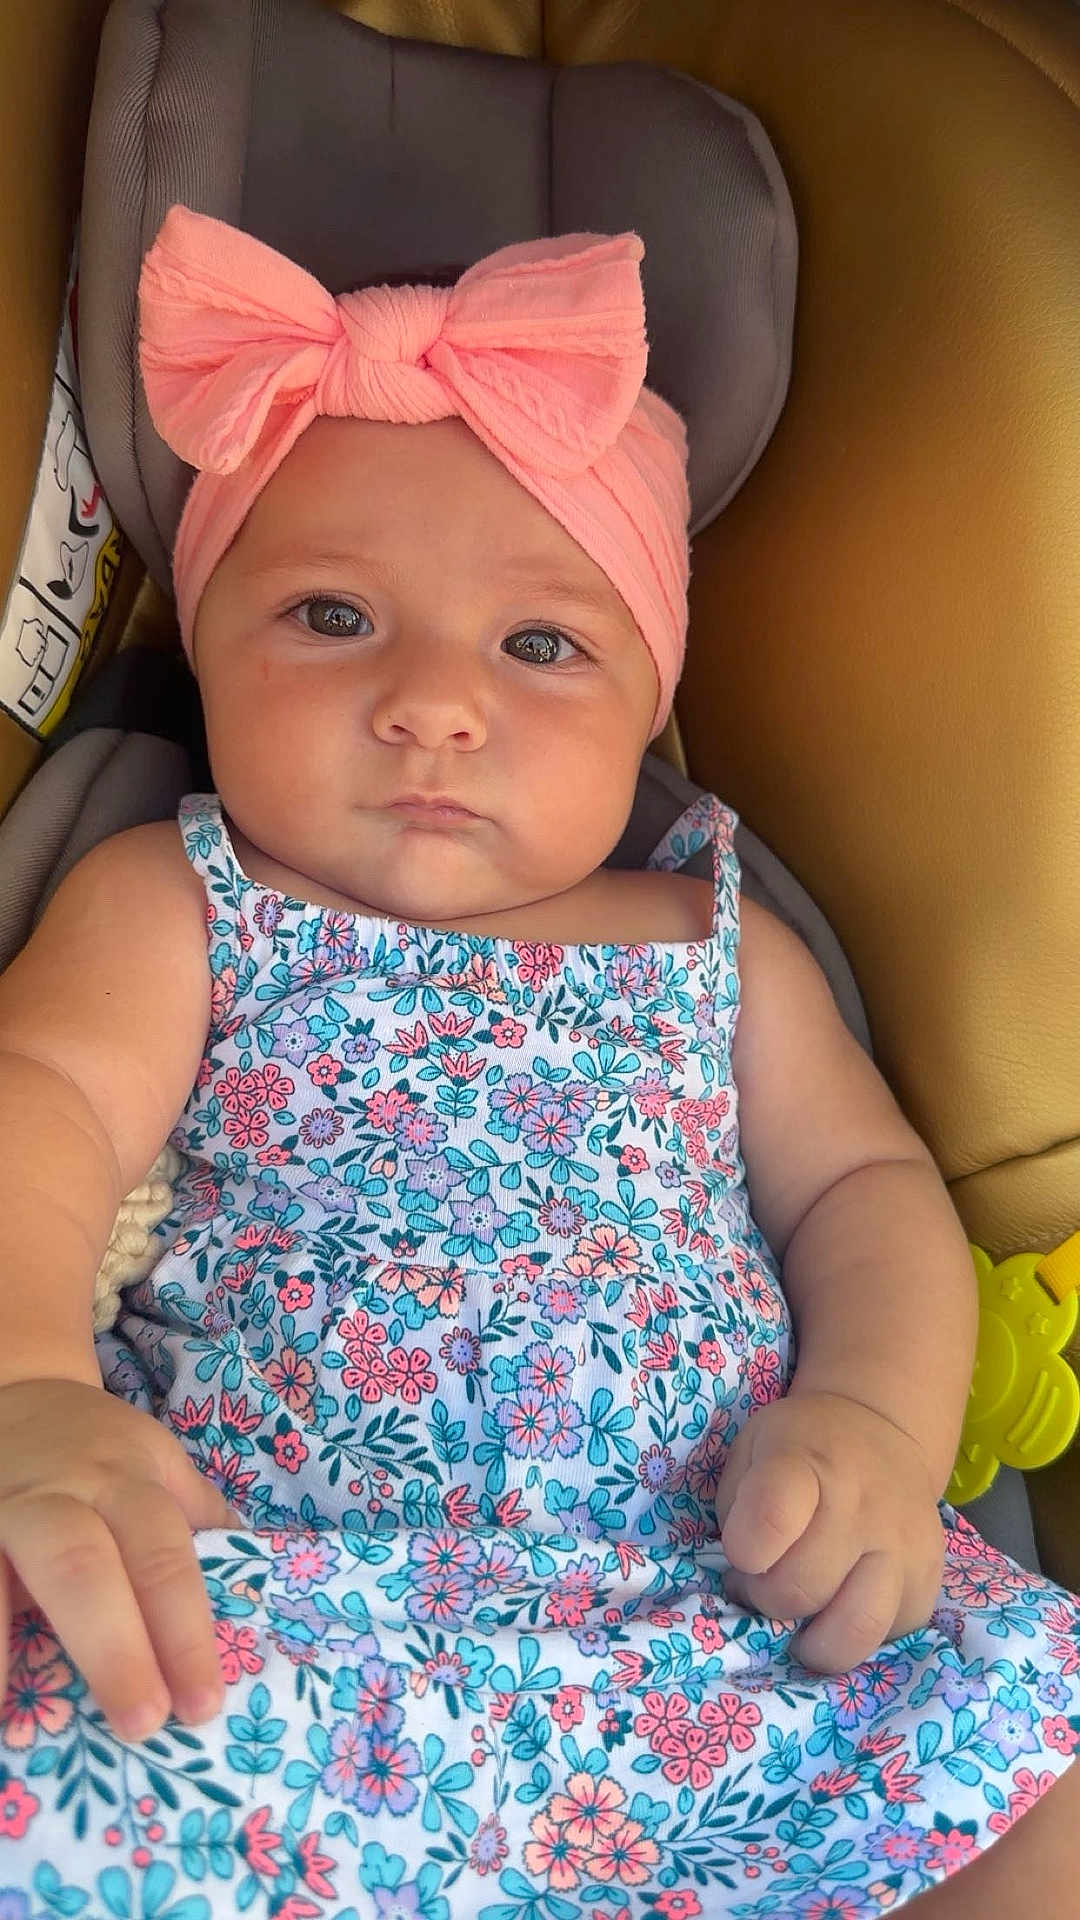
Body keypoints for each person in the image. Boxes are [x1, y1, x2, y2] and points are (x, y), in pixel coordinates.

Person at [0, 206, 1074, 1917]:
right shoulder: (181, 896)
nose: (435, 701)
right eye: (333, 616)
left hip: (727, 1606)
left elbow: (870, 1195)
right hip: (291, 1610)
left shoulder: (715, 940)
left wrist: (875, 1415)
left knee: (1039, 1796)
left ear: (652, 692)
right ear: (205, 649)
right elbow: (36, 1113)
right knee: (85, 1773)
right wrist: (31, 1384)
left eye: (539, 645)